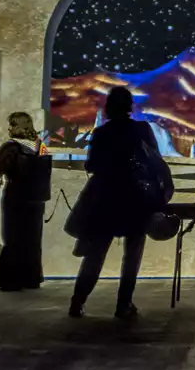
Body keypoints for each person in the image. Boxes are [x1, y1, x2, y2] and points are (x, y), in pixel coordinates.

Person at [69, 86, 165, 319]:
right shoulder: (142, 130)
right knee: (132, 254)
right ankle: (124, 304)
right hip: (136, 199)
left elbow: (91, 165)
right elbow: (155, 161)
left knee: (96, 252)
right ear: (130, 106)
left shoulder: (102, 133)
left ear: (109, 107)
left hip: (105, 198)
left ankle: (77, 302)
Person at [0, 112, 53, 292]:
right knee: (33, 240)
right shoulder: (40, 145)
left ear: (18, 126)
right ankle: (32, 279)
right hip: (37, 199)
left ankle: (11, 281)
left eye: (11, 124)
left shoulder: (10, 147)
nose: (9, 128)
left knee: (12, 239)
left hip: (15, 197)